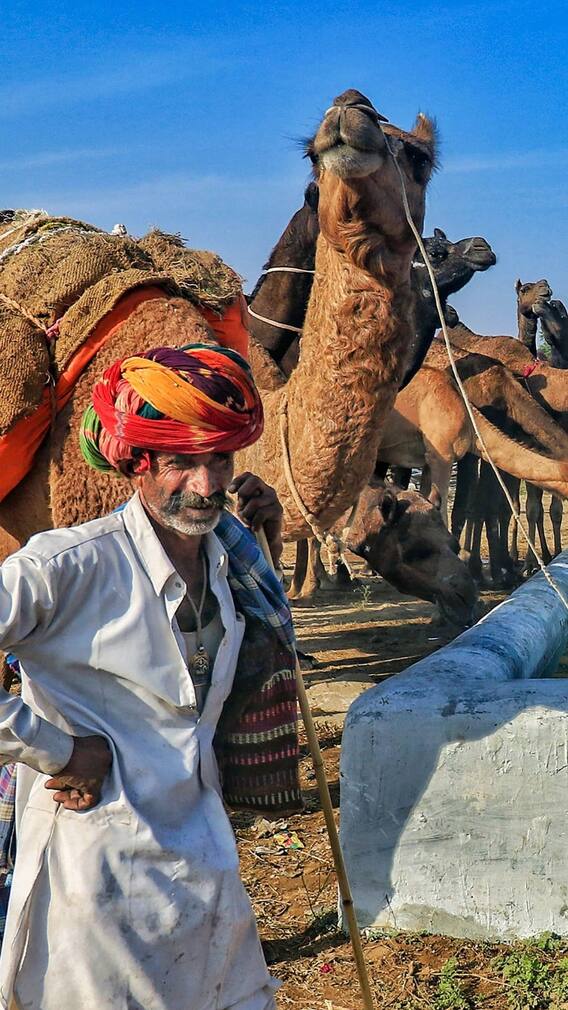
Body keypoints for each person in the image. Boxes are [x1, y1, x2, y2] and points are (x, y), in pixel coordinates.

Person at [0, 343, 300, 1010]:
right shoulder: (72, 567)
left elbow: (244, 666)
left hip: (209, 872)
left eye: (217, 459)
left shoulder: (233, 566)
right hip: (98, 889)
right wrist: (56, 748)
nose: (204, 484)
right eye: (179, 463)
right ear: (138, 464)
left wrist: (266, 547)